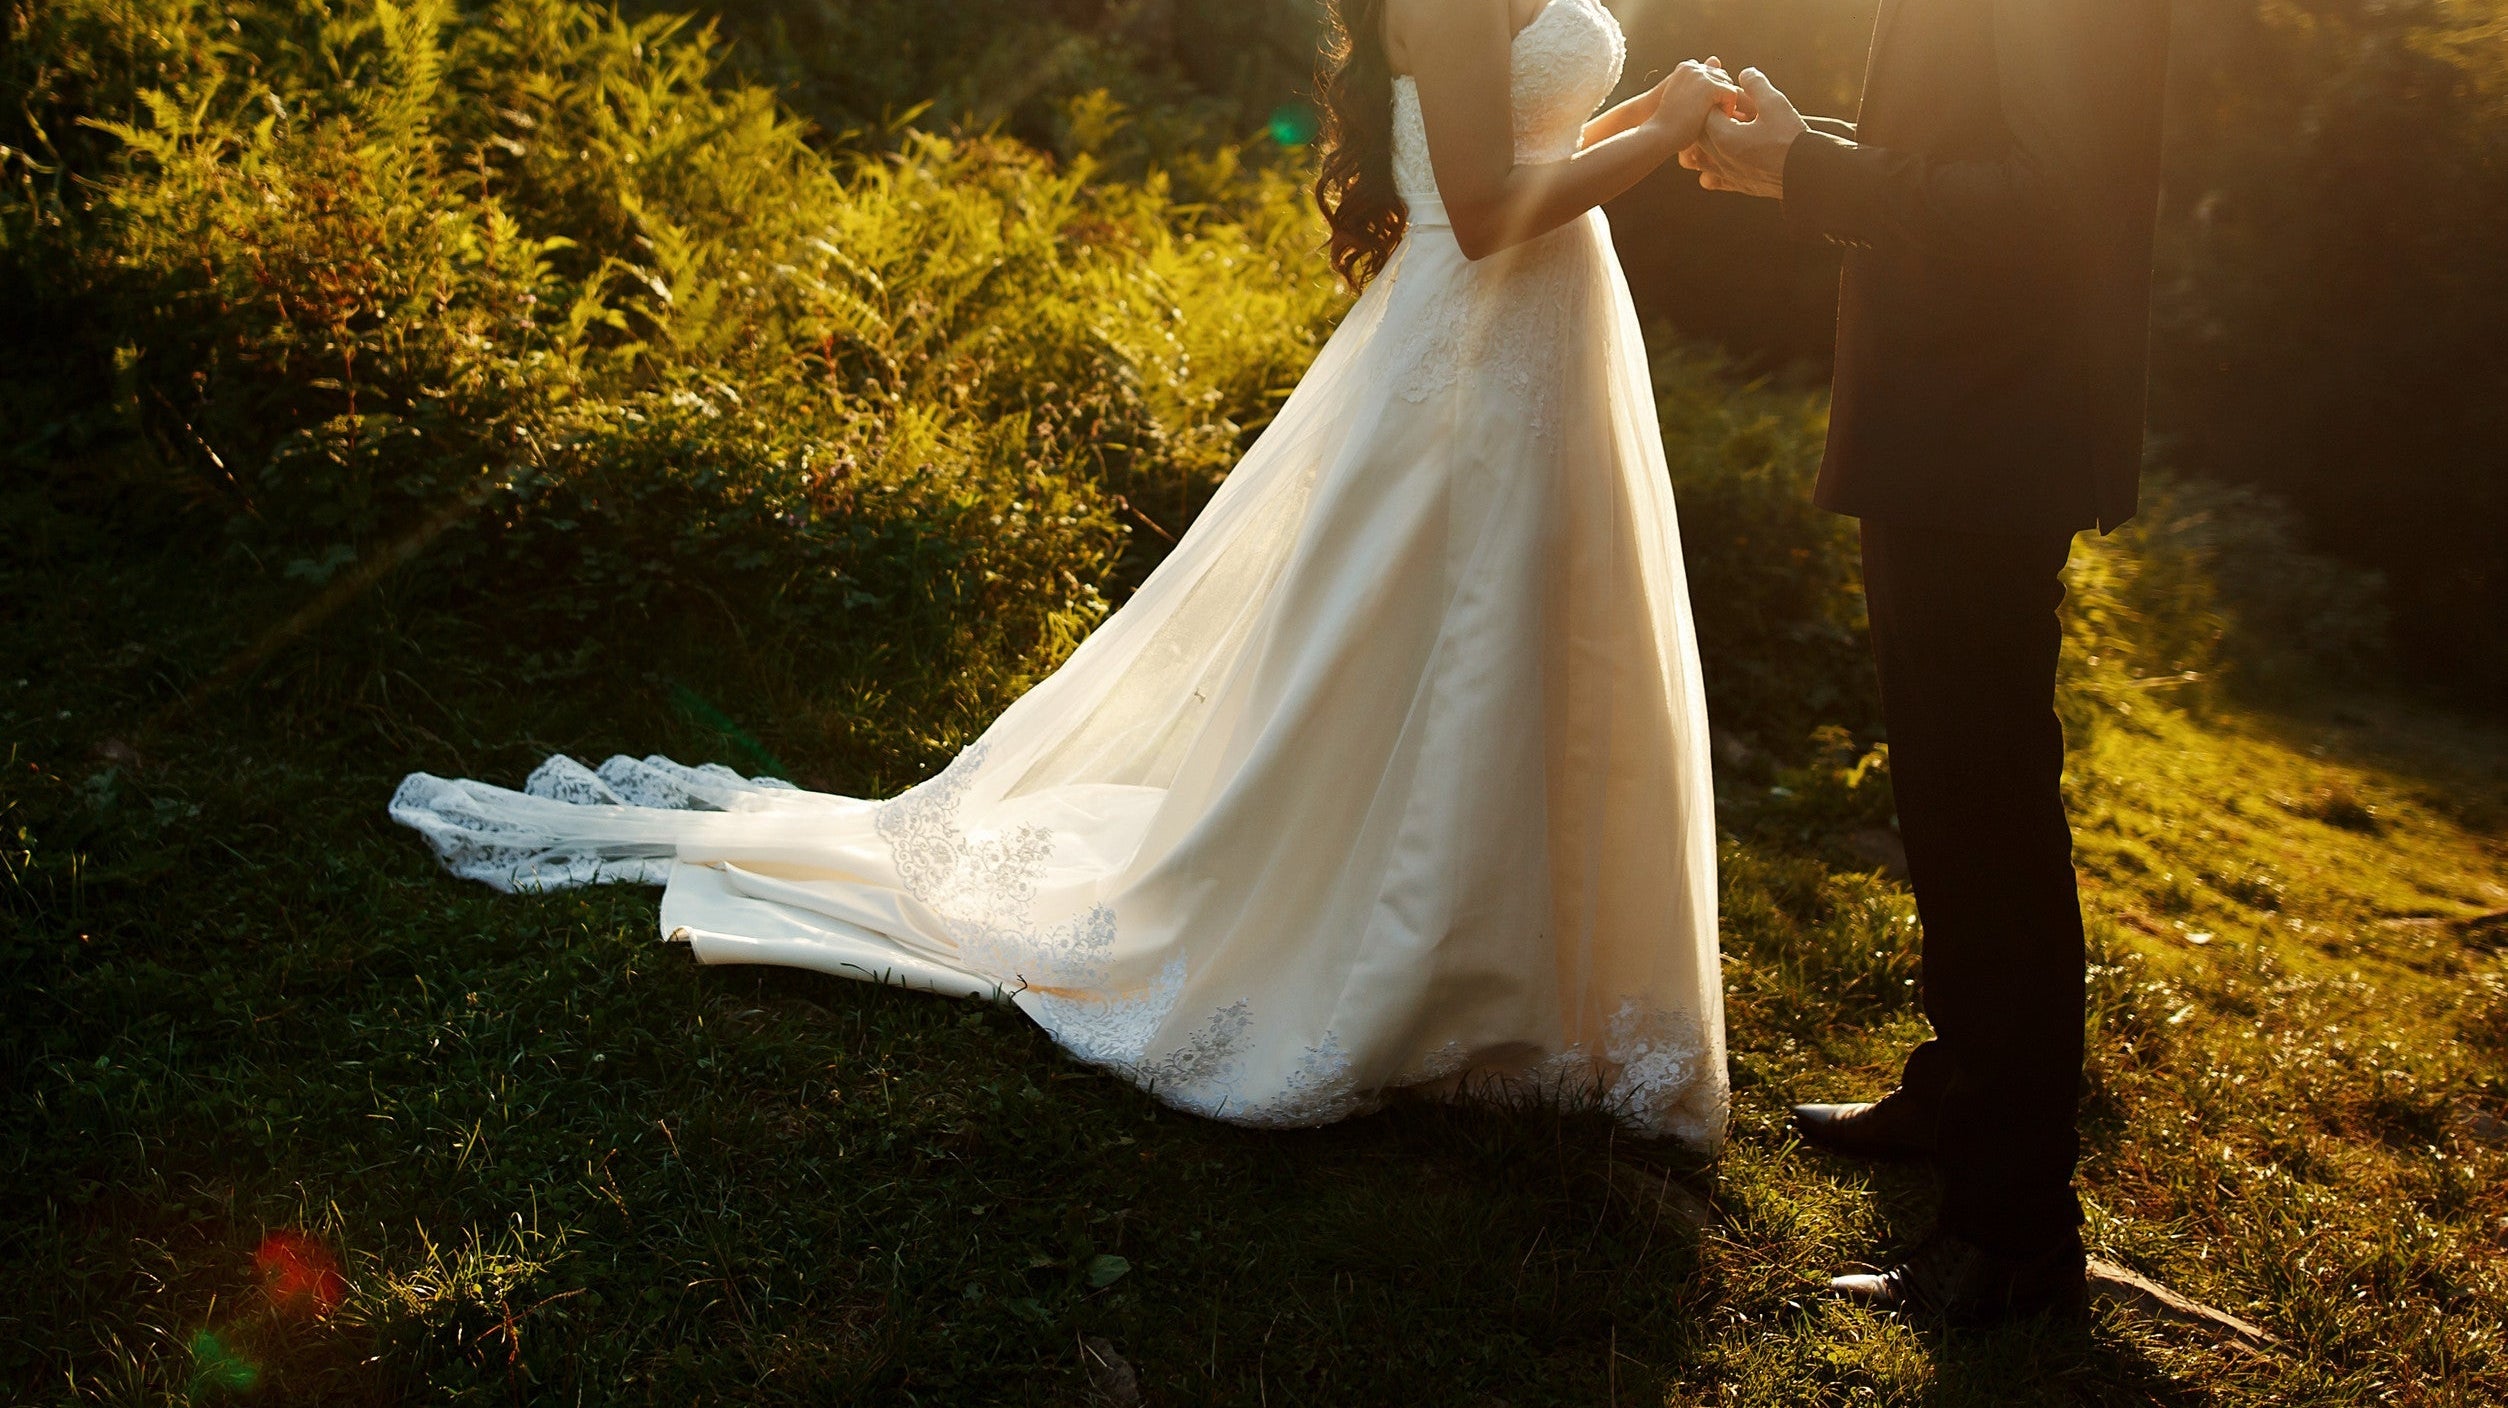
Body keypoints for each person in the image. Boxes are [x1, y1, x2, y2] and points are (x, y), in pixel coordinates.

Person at [394, 0, 1740, 1147]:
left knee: (1540, 650)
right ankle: (1420, 973)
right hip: (1473, 362)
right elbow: (1494, 212)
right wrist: (1667, 130)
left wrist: (1658, 120)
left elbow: (1537, 148)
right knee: (1434, 653)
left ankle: (1531, 990)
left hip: (1560, 342)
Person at [1681, 0, 2176, 1325]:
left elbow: (2049, 208)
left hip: (1990, 434)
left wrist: (1811, 168)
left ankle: (2015, 1237)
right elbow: (1965, 151)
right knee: (1953, 800)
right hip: (1952, 424)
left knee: (1989, 813)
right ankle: (1963, 1094)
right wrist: (1803, 149)